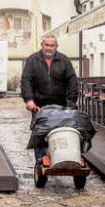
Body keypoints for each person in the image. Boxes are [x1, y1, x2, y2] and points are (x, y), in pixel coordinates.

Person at [20, 33, 79, 161]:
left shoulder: (64, 60)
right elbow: (26, 80)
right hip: (39, 106)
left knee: (60, 132)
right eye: (47, 45)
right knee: (40, 133)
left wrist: (72, 100)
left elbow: (72, 80)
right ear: (42, 45)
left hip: (60, 105)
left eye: (52, 45)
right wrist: (29, 99)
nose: (49, 48)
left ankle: (59, 158)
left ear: (56, 46)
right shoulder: (32, 60)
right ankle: (41, 163)